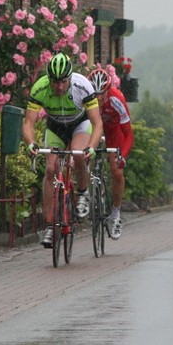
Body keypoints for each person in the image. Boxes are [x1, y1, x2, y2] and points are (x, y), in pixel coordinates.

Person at [23, 53, 104, 247]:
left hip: (80, 124)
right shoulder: (40, 88)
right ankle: (50, 225)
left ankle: (83, 193)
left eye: (63, 82)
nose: (59, 87)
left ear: (70, 78)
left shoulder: (82, 86)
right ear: (49, 79)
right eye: (55, 82)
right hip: (56, 127)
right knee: (50, 169)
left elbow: (97, 122)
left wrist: (91, 147)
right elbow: (28, 123)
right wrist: (31, 143)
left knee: (78, 154)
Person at [87, 68, 134, 239]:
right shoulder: (85, 98)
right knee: (83, 157)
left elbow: (128, 134)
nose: (99, 98)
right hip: (93, 130)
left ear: (108, 90)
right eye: (95, 94)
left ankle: (115, 214)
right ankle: (85, 193)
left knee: (116, 171)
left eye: (103, 93)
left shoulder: (116, 99)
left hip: (114, 132)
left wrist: (122, 156)